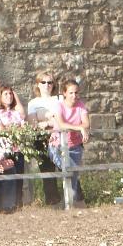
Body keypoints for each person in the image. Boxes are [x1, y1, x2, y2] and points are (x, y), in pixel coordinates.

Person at [48, 80, 89, 208]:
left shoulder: (81, 106)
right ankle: (70, 202)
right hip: (57, 146)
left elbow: (86, 124)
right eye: (71, 92)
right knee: (70, 170)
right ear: (64, 93)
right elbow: (61, 124)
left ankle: (70, 203)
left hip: (75, 146)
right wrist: (80, 128)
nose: (74, 95)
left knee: (74, 175)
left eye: (76, 92)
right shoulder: (59, 106)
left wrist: (83, 127)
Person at [26, 71, 62, 205]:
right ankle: (53, 202)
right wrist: (51, 121)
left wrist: (47, 123)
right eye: (43, 82)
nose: (47, 85)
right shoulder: (33, 103)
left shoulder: (60, 99)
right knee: (47, 170)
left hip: (60, 136)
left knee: (66, 168)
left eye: (50, 82)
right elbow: (33, 124)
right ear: (38, 84)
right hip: (42, 139)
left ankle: (74, 199)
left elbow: (62, 119)